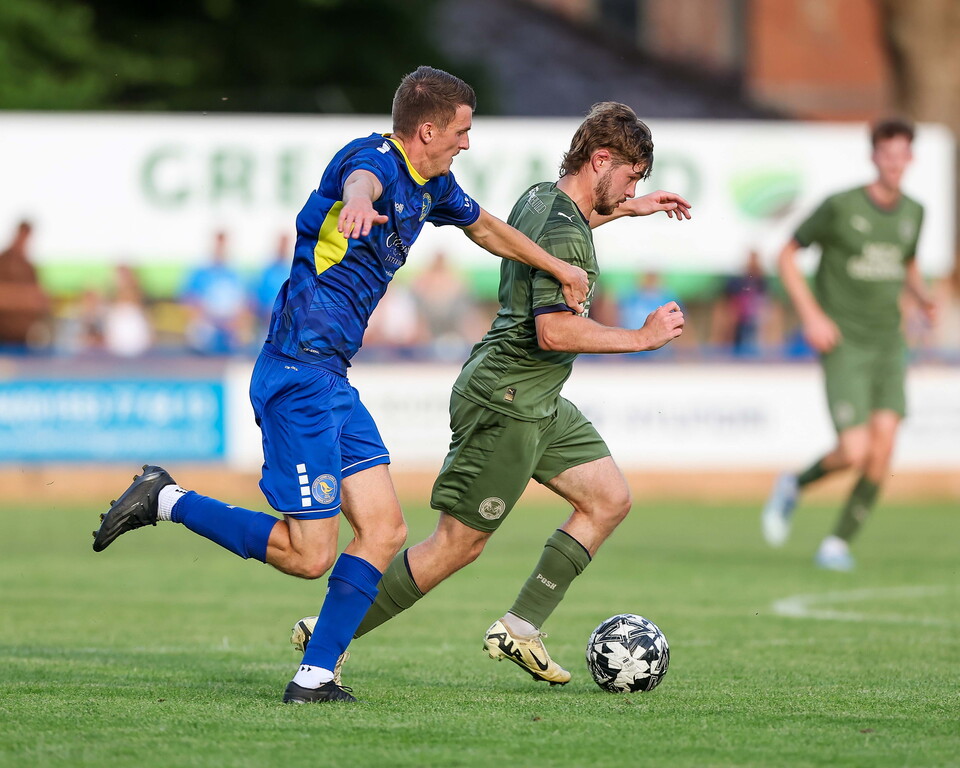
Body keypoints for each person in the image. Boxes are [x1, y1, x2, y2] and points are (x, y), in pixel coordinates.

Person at [91, 65, 589, 704]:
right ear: (427, 128)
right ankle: (166, 500)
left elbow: (486, 227)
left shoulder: (432, 186)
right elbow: (360, 178)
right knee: (309, 554)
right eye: (461, 131)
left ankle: (314, 676)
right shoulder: (373, 162)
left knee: (384, 531)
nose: (467, 142)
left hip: (330, 379)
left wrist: (556, 267)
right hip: (297, 375)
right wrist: (356, 202)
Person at [293, 102, 691, 686]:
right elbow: (552, 331)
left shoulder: (541, 199)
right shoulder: (563, 231)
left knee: (608, 498)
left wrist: (632, 207)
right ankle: (332, 631)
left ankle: (520, 628)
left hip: (540, 401)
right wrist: (642, 337)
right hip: (506, 398)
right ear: (601, 159)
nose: (635, 186)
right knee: (456, 544)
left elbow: (573, 226)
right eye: (631, 176)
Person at [762, 118, 936, 571]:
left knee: (882, 454)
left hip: (889, 344)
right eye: (887, 154)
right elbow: (786, 256)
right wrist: (813, 315)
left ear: (910, 159)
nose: (895, 163)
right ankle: (795, 485)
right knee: (855, 450)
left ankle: (837, 542)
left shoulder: (915, 212)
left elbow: (907, 263)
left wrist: (923, 298)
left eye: (902, 155)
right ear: (874, 156)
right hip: (845, 342)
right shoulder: (840, 207)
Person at [181, 230, 253, 354]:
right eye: (218, 245)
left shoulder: (235, 274)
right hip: (207, 321)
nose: (220, 249)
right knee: (199, 334)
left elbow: (247, 303)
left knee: (246, 336)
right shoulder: (200, 273)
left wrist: (235, 321)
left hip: (231, 323)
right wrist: (210, 320)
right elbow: (189, 301)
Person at [0, 220, 50, 350]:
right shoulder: (2, 262)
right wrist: (25, 298)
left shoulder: (29, 267)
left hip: (23, 338)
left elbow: (40, 298)